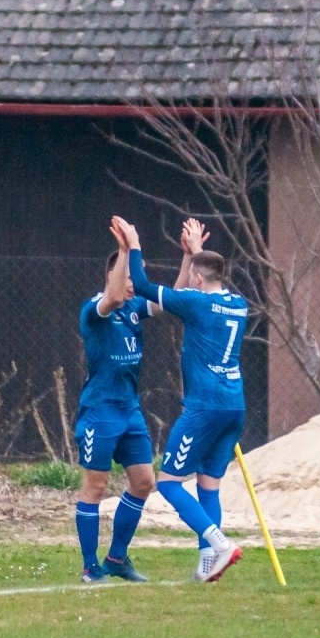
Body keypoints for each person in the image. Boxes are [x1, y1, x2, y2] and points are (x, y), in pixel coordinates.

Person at [113, 214, 246, 583]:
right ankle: (208, 567)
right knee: (208, 484)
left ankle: (219, 544)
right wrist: (197, 252)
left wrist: (135, 244)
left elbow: (139, 283)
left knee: (169, 482)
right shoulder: (239, 303)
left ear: (198, 280)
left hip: (204, 407)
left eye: (193, 276)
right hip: (234, 405)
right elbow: (207, 276)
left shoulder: (195, 303)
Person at [70, 228, 160, 584]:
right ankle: (91, 567)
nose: (133, 285)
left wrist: (188, 257)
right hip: (100, 412)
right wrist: (125, 249)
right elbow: (109, 298)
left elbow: (169, 297)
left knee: (143, 481)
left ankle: (117, 558)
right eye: (126, 277)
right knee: (96, 484)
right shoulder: (94, 310)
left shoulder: (135, 308)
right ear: (112, 277)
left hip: (130, 411)